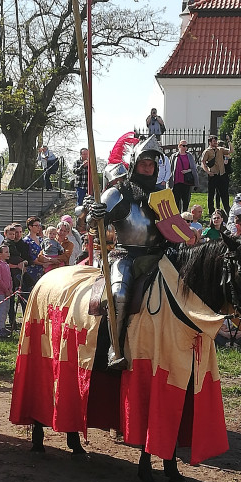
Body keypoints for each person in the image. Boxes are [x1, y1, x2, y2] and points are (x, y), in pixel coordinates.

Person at [84, 134, 169, 368]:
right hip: (127, 256)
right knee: (119, 295)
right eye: (143, 163)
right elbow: (90, 227)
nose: (148, 168)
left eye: (151, 164)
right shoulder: (117, 193)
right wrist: (95, 215)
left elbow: (171, 227)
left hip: (160, 254)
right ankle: (115, 348)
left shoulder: (162, 194)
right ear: (133, 165)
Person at [201, 134, 233, 215]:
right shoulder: (207, 151)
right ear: (210, 142)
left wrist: (229, 141)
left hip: (221, 175)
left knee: (224, 193)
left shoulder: (220, 149)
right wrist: (208, 172)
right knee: (211, 194)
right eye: (214, 141)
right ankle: (211, 211)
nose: (215, 142)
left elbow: (231, 151)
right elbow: (203, 163)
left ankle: (227, 210)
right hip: (213, 175)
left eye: (216, 141)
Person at [170, 140, 198, 212]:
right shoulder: (174, 156)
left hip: (186, 181)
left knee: (186, 200)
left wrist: (187, 171)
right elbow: (171, 169)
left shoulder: (189, 156)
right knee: (176, 200)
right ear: (179, 146)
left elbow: (194, 168)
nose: (185, 147)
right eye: (183, 145)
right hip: (176, 182)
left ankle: (185, 215)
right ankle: (178, 216)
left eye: (186, 146)